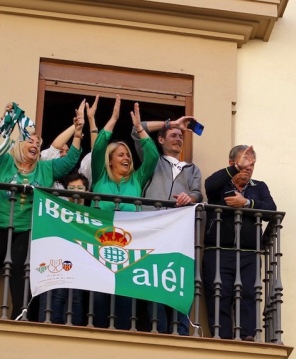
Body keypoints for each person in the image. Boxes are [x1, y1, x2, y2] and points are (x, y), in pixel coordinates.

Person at [0, 101, 83, 320]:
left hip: (26, 227)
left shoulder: (46, 168)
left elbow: (70, 161)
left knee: (20, 270)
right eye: (31, 141)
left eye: (39, 143)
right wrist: (3, 121)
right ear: (20, 145)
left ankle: (19, 314)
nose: (36, 145)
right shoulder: (5, 163)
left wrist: (77, 133)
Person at [89, 97, 158, 329]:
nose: (127, 157)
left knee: (126, 292)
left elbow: (153, 158)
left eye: (128, 154)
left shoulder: (137, 180)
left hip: (129, 246)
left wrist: (139, 129)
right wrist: (113, 120)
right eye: (120, 154)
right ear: (109, 161)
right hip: (98, 242)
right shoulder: (99, 175)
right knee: (99, 292)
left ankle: (123, 331)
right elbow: (98, 147)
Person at [131, 115, 201, 335]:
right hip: (153, 230)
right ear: (161, 140)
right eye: (173, 135)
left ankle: (180, 331)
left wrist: (190, 197)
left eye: (181, 136)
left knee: (179, 279)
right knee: (154, 279)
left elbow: (199, 193)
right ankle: (158, 329)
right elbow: (137, 129)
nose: (178, 138)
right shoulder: (153, 160)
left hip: (180, 234)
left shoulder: (192, 169)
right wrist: (170, 123)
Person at [203, 145, 276, 340]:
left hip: (249, 252)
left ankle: (248, 337)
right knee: (220, 294)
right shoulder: (221, 185)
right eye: (245, 163)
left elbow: (271, 209)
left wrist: (247, 203)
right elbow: (209, 186)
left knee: (249, 294)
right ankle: (223, 338)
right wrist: (236, 167)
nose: (249, 167)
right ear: (232, 163)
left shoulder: (259, 187)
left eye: (252, 164)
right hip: (218, 250)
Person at [37, 172, 89, 325]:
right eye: (71, 188)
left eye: (80, 188)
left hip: (81, 264)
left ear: (87, 191)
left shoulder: (92, 214)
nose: (76, 191)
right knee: (57, 294)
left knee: (76, 297)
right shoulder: (59, 212)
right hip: (59, 262)